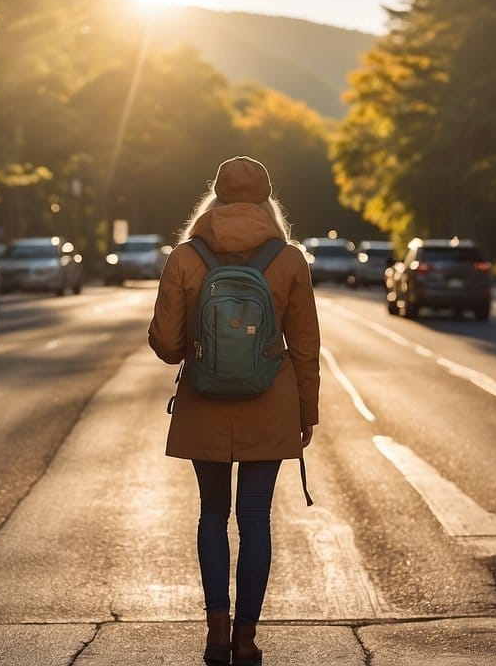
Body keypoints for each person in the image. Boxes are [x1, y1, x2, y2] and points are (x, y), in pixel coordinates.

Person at [148, 156, 321, 665]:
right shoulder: (289, 260)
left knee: (211, 516)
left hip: (204, 399)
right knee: (255, 519)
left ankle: (215, 636)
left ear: (216, 199)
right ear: (267, 201)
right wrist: (306, 413)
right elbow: (306, 347)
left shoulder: (186, 256)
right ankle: (246, 640)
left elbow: (167, 343)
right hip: (270, 404)